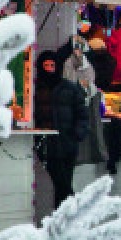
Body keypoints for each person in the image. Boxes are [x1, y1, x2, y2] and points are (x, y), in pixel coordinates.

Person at [45, 72, 90, 210]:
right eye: (46, 65)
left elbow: (82, 114)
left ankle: (64, 217)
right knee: (62, 184)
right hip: (47, 143)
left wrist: (77, 133)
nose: (50, 69)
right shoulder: (40, 88)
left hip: (67, 143)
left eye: (52, 65)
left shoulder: (70, 88)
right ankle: (69, 216)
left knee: (63, 183)